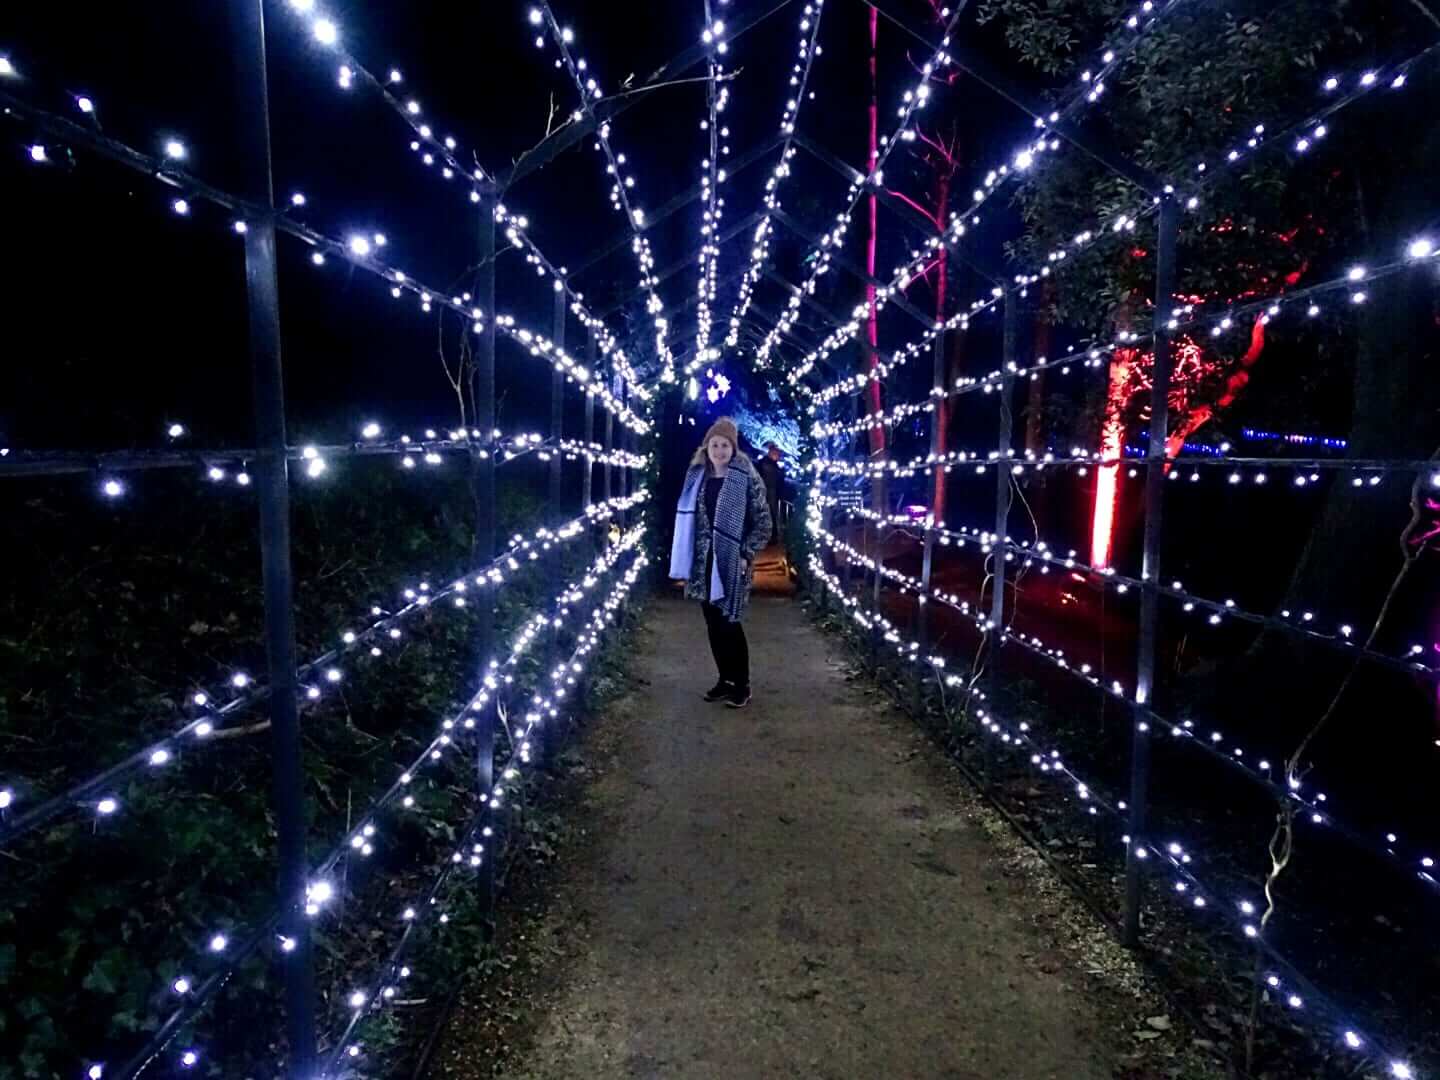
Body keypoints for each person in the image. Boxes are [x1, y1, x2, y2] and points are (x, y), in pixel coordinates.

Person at [669, 417, 772, 708]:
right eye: (715, 444)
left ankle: (742, 684)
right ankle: (724, 679)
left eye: (725, 445)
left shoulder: (745, 477)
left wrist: (746, 552)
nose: (719, 450)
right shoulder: (697, 477)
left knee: (729, 622)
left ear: (733, 448)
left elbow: (764, 522)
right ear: (707, 447)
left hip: (732, 560)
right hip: (703, 560)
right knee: (712, 623)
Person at [755, 441, 785, 546]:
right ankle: (769, 537)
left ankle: (771, 537)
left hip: (771, 492)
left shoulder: (772, 465)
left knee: (771, 514)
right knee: (768, 514)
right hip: (767, 492)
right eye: (776, 453)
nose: (778, 456)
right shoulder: (764, 464)